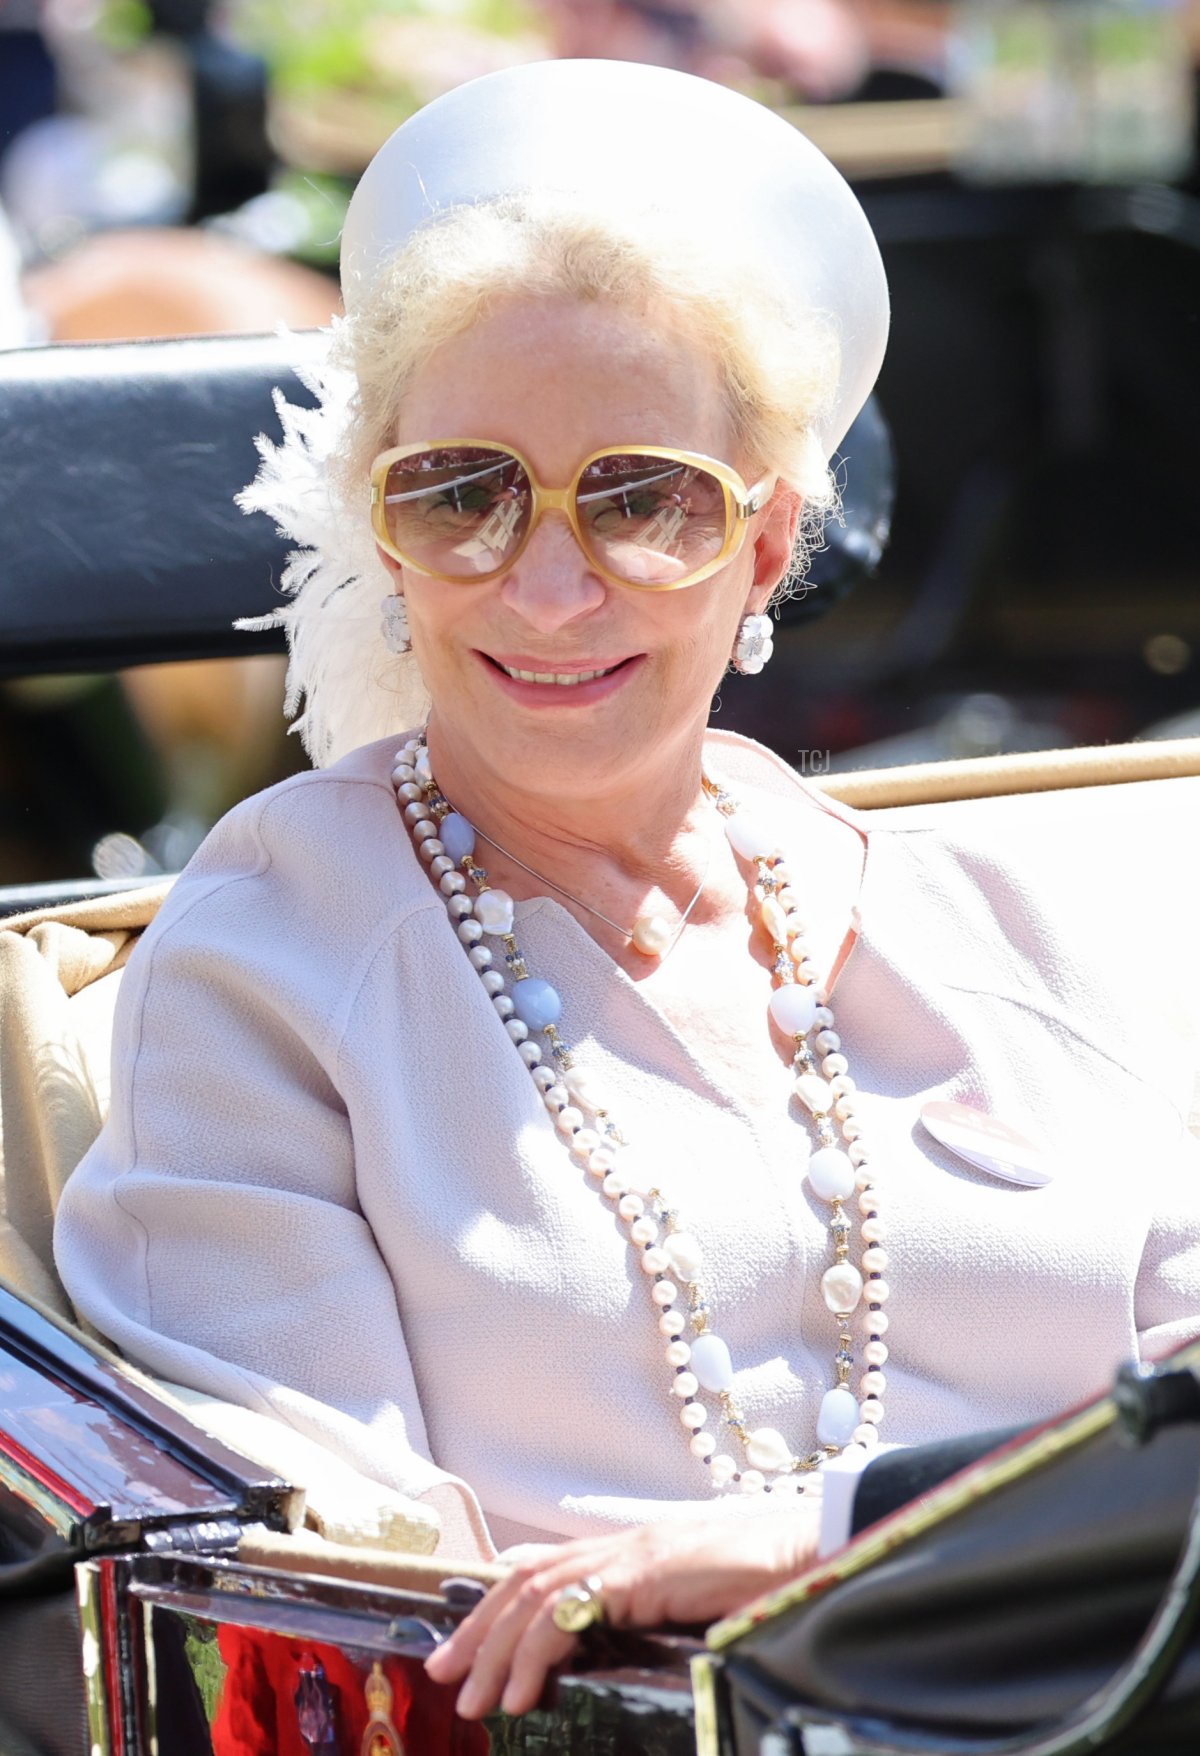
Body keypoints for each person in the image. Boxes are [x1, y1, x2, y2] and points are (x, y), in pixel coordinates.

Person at [52, 55, 1200, 1722]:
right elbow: (347, 1601)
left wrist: (804, 1544)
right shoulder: (266, 964)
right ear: (382, 535)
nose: (551, 583)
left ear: (763, 542)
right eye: (464, 494)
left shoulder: (1005, 923)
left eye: (644, 499)